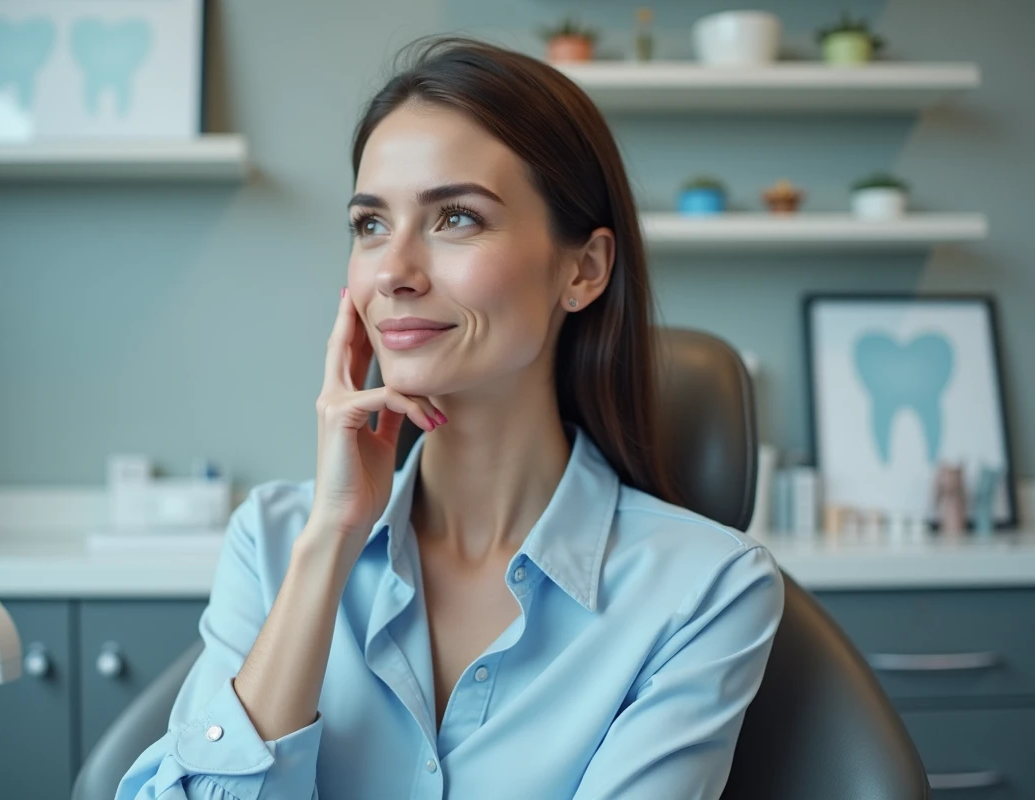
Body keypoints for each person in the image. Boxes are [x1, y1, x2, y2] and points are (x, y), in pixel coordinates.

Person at [117, 36, 783, 800]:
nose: (394, 272)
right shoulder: (273, 544)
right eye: (370, 225)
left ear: (584, 269)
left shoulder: (705, 591)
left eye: (456, 218)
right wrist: (331, 543)